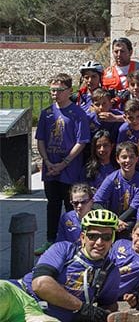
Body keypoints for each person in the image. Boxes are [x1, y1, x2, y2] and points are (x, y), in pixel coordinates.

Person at [9, 209, 121, 322]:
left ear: (112, 240)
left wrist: (102, 315)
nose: (99, 242)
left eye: (106, 237)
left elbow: (109, 306)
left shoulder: (110, 271)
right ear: (83, 237)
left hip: (43, 316)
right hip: (19, 294)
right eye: (93, 236)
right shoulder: (63, 249)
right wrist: (81, 307)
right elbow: (40, 284)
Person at [35, 73, 91, 255]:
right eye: (52, 90)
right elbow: (41, 139)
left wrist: (64, 162)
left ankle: (74, 239)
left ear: (69, 91)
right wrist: (48, 161)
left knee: (71, 206)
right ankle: (50, 239)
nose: (55, 94)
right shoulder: (47, 113)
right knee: (52, 204)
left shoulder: (77, 113)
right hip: (50, 166)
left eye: (59, 90)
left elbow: (81, 141)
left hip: (70, 168)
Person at [93, 141, 139, 237]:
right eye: (124, 157)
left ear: (137, 159)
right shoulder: (111, 178)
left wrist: (118, 222)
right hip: (112, 220)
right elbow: (97, 202)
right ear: (117, 159)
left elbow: (133, 209)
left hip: (130, 221)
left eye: (131, 157)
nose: (128, 160)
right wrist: (114, 221)